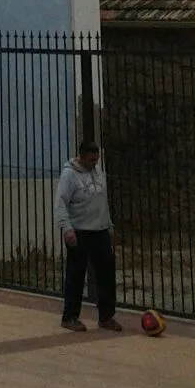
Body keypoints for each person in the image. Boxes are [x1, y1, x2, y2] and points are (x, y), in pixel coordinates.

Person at [54, 137, 121, 332]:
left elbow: (102, 201)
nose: (94, 164)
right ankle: (69, 317)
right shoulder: (69, 176)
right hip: (80, 231)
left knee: (106, 274)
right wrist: (66, 228)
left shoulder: (98, 172)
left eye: (96, 160)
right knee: (76, 275)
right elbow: (60, 203)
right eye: (91, 160)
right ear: (81, 157)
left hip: (99, 230)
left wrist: (108, 226)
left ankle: (106, 316)